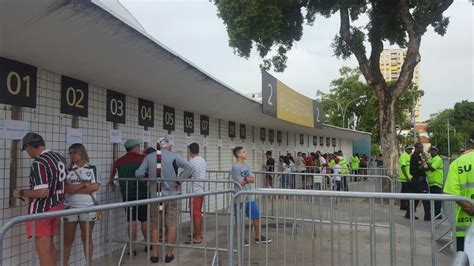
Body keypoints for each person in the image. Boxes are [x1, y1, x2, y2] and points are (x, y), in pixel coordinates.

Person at [12, 133, 66, 266]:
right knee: (49, 246)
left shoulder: (39, 162)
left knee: (43, 250)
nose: (27, 154)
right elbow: (66, 182)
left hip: (42, 210)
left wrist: (21, 192)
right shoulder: (59, 158)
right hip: (57, 207)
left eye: (26, 150)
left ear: (30, 146)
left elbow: (42, 192)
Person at [63, 143, 100, 266]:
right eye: (70, 153)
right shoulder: (67, 170)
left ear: (81, 152)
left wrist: (76, 188)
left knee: (87, 239)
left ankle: (89, 263)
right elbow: (66, 189)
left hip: (88, 207)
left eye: (74, 152)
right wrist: (83, 185)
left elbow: (95, 187)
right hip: (71, 208)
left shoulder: (92, 168)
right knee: (67, 240)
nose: (72, 155)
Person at [109, 139, 147, 256]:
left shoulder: (118, 162)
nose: (140, 148)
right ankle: (147, 243)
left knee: (131, 221)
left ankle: (132, 248)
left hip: (127, 195)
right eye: (138, 146)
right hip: (142, 194)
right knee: (144, 220)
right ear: (134, 147)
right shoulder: (143, 159)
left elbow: (112, 181)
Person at [158, 136, 193, 263]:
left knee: (157, 223)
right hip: (172, 194)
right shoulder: (174, 156)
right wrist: (179, 180)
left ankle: (155, 253)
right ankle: (169, 253)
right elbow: (189, 168)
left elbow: (139, 173)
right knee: (172, 223)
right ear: (170, 146)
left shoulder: (152, 157)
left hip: (157, 196)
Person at [231, 146, 272, 244]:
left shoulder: (247, 165)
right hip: (240, 197)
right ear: (238, 154)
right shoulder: (235, 167)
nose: (246, 153)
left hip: (249, 197)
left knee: (256, 215)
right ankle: (241, 239)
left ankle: (258, 237)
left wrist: (246, 180)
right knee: (239, 219)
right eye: (244, 152)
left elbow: (253, 179)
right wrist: (246, 179)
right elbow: (239, 182)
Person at [443, 145, 474, 252]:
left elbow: (452, 192)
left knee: (463, 260)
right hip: (464, 228)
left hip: (464, 225)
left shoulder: (458, 162)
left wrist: (469, 207)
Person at [135, 143, 160, 263]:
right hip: (164, 195)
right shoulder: (162, 161)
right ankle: (159, 239)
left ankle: (153, 250)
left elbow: (139, 174)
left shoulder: (147, 161)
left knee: (153, 221)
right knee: (161, 218)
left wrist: (146, 181)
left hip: (153, 195)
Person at [185, 143, 207, 245]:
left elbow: (188, 175)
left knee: (195, 214)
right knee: (198, 213)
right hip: (201, 189)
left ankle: (197, 237)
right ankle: (198, 233)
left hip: (195, 191)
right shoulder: (202, 160)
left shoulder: (192, 162)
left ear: (190, 151)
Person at [405, 143, 430, 221]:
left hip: (415, 180)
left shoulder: (415, 156)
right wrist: (424, 162)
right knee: (425, 198)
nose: (421, 149)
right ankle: (427, 216)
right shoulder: (415, 157)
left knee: (415, 198)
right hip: (419, 180)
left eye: (422, 148)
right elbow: (419, 168)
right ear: (415, 148)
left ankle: (409, 214)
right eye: (420, 148)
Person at [426, 146, 444, 219]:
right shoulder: (431, 158)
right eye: (431, 151)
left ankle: (438, 214)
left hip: (437, 181)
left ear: (437, 152)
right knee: (433, 198)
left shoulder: (438, 159)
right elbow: (426, 168)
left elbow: (432, 168)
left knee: (437, 199)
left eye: (434, 151)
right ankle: (435, 213)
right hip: (431, 182)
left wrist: (427, 162)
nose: (432, 152)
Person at [398, 146, 413, 211]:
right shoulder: (404, 156)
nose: (411, 150)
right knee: (405, 192)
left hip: (407, 177)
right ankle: (403, 205)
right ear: (406, 149)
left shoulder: (408, 156)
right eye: (409, 149)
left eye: (411, 149)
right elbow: (403, 167)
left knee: (406, 191)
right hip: (405, 177)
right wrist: (407, 177)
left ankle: (404, 205)